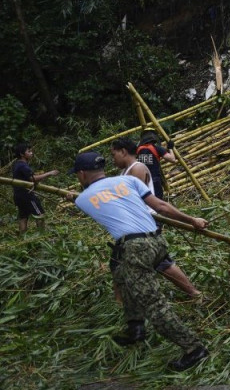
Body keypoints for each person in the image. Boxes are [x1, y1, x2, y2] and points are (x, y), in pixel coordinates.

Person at [67, 152, 209, 371]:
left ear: (82, 174)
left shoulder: (82, 199)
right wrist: (192, 220)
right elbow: (161, 206)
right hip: (157, 241)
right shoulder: (129, 180)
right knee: (121, 274)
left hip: (136, 248)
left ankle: (194, 349)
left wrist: (72, 196)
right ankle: (135, 329)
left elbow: (92, 198)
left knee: (153, 304)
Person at [110, 138, 201, 299]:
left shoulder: (137, 169)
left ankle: (194, 293)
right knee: (117, 263)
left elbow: (143, 202)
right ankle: (122, 303)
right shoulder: (125, 171)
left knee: (160, 262)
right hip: (133, 225)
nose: (113, 158)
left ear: (123, 151)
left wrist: (191, 220)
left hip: (143, 225)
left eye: (114, 154)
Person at [11, 143, 59, 232]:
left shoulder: (17, 164)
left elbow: (29, 177)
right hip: (27, 195)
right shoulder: (23, 165)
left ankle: (22, 238)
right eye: (29, 151)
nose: (31, 153)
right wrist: (49, 173)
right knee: (40, 214)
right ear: (22, 154)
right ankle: (41, 237)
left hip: (18, 195)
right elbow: (33, 179)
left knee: (23, 216)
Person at [137, 130, 177, 201]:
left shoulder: (138, 150)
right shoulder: (156, 148)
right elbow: (172, 159)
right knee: (158, 201)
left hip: (143, 181)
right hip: (154, 180)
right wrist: (170, 148)